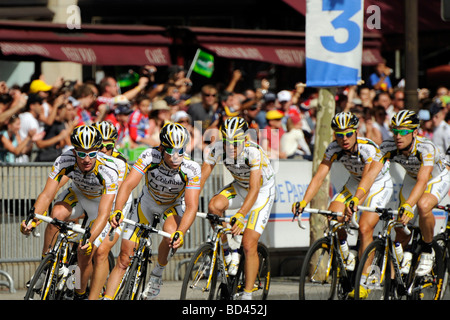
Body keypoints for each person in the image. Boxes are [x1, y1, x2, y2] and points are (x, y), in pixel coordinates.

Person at [291, 112, 394, 296]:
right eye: (339, 135)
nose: (343, 139)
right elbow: (319, 176)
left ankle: (363, 282)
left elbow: (368, 180)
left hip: (378, 183)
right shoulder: (333, 149)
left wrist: (356, 203)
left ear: (355, 132)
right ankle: (346, 253)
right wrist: (303, 201)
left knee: (364, 227)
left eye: (347, 134)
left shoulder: (368, 148)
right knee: (333, 216)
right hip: (355, 181)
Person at [348, 110, 450, 284]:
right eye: (395, 131)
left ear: (415, 133)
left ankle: (427, 250)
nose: (398, 136)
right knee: (400, 230)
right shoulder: (387, 146)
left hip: (437, 177)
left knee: (424, 205)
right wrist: (356, 198)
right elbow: (371, 175)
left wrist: (410, 205)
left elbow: (424, 180)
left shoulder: (426, 147)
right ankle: (395, 283)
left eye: (403, 131)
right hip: (411, 178)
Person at [20, 125, 119, 300]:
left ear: (98, 150)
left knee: (85, 251)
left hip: (100, 204)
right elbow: (48, 193)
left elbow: (104, 213)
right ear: (74, 151)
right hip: (79, 194)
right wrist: (32, 219)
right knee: (56, 215)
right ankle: (47, 266)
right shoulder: (64, 160)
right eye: (81, 153)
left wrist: (88, 239)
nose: (87, 159)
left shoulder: (109, 169)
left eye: (91, 153)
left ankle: (80, 293)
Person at [103, 122, 201, 300]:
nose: (176, 156)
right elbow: (128, 185)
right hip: (148, 202)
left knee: (172, 236)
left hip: (172, 205)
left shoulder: (191, 168)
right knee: (124, 258)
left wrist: (181, 232)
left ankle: (157, 273)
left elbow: (192, 206)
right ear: (162, 147)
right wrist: (117, 210)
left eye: (181, 150)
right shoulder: (150, 155)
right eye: (171, 151)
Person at [200, 117, 275, 300]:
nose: (231, 147)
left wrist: (241, 215)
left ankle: (247, 295)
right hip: (240, 187)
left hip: (261, 192)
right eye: (227, 142)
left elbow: (255, 189)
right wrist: (187, 202)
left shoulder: (254, 152)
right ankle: (228, 253)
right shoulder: (217, 149)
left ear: (246, 139)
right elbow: (199, 180)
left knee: (249, 243)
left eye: (236, 143)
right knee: (213, 207)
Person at [85, 121, 134, 300]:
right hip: (97, 198)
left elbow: (116, 195)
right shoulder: (89, 157)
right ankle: (73, 282)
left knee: (100, 251)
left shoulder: (119, 162)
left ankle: (95, 295)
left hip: (118, 202)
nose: (104, 149)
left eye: (109, 145)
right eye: (101, 145)